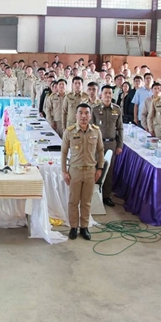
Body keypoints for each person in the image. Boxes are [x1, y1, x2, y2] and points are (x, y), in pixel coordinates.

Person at [61, 103, 104, 240]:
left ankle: (84, 227)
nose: (83, 116)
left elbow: (100, 150)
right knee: (73, 201)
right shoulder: (69, 131)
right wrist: (64, 171)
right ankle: (73, 227)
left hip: (90, 171)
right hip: (75, 171)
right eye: (81, 113)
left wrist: (100, 168)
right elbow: (63, 152)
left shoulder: (96, 131)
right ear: (76, 115)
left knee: (86, 201)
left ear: (90, 116)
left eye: (86, 113)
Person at [91, 86, 122, 208]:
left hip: (111, 144)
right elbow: (91, 128)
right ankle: (93, 193)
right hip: (97, 144)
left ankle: (106, 196)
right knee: (96, 167)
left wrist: (120, 145)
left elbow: (120, 128)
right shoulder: (95, 109)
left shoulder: (117, 109)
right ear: (101, 95)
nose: (108, 95)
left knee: (109, 170)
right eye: (105, 93)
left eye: (110, 93)